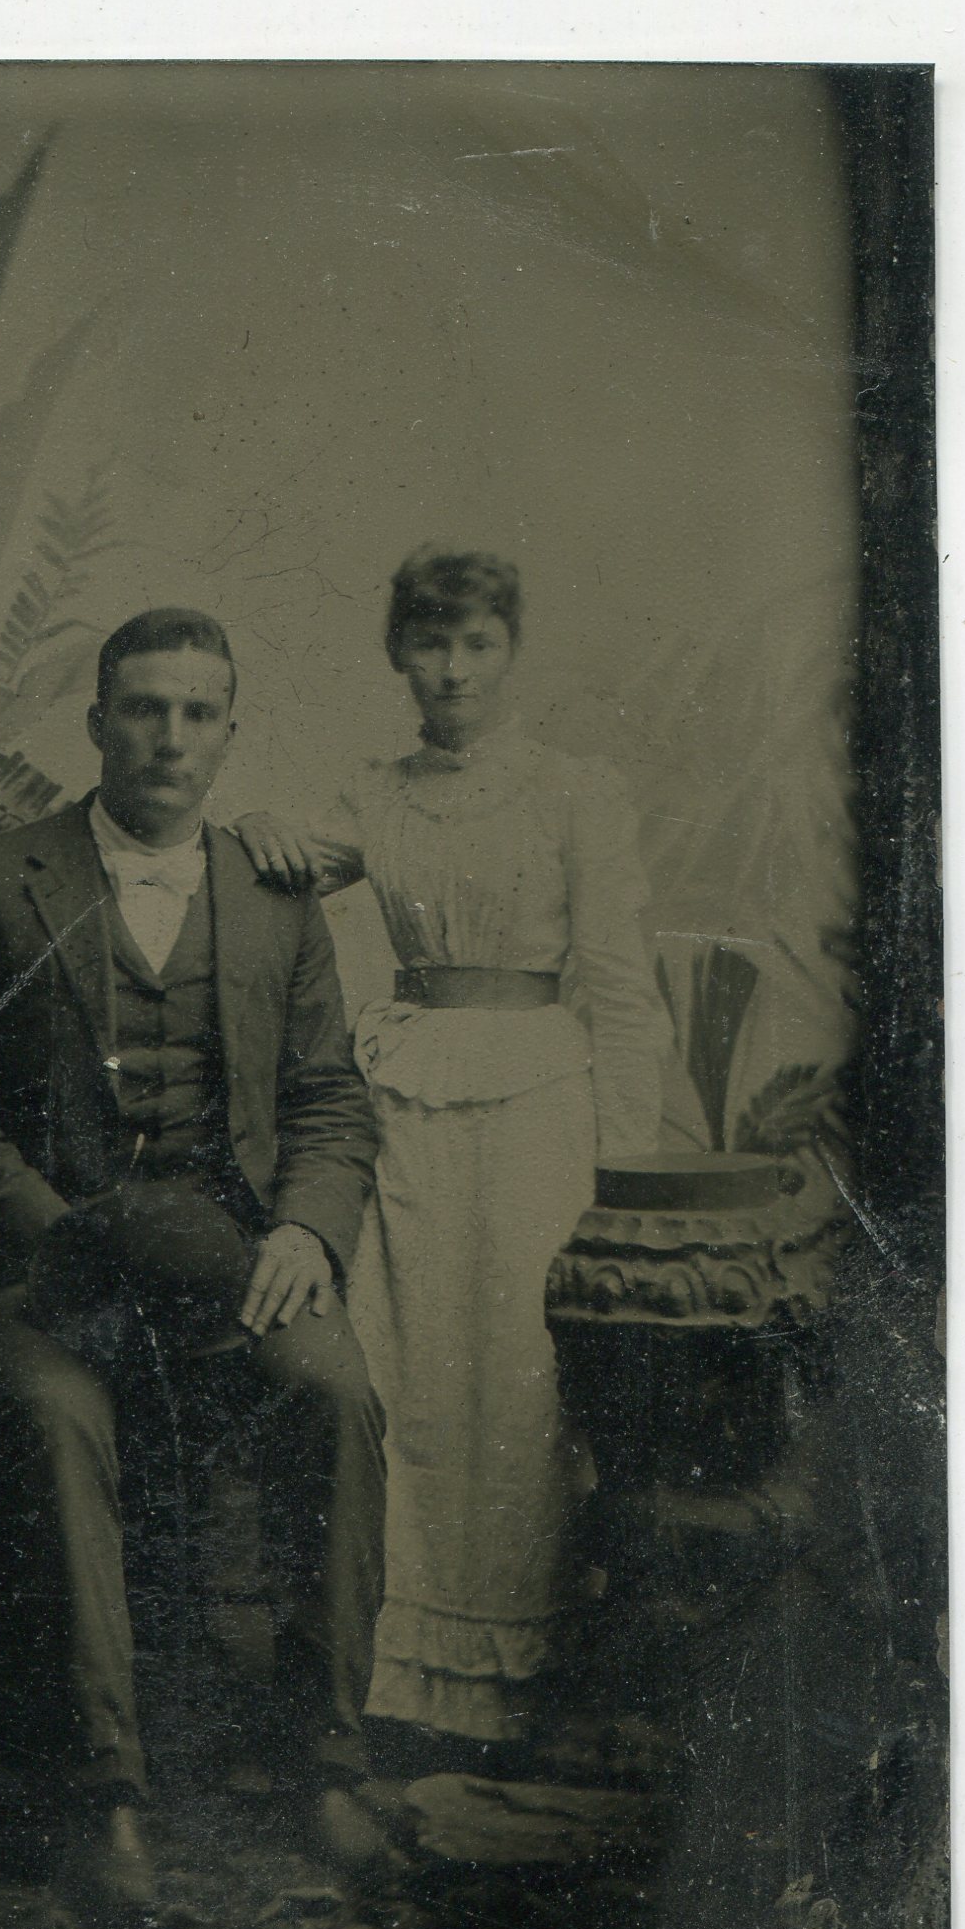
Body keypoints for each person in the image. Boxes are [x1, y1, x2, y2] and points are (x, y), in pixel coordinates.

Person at [0, 608, 387, 1915]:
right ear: (97, 722)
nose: (170, 736)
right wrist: (54, 1230)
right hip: (47, 1269)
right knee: (60, 1426)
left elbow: (329, 1095)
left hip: (232, 1265)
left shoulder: (272, 897)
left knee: (338, 1396)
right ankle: (106, 1793)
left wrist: (303, 1229)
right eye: (145, 708)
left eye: (197, 712)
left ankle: (326, 1762)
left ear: (227, 732)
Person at [235, 548, 665, 1752]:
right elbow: (281, 860)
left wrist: (626, 1174)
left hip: (538, 1110)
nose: (454, 669)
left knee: (519, 1377)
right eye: (430, 644)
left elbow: (620, 988)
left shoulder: (571, 790)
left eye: (477, 643)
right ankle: (396, 1684)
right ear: (397, 655)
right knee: (405, 1369)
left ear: (509, 650)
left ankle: (522, 1680)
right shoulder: (377, 794)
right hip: (409, 1099)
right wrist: (256, 823)